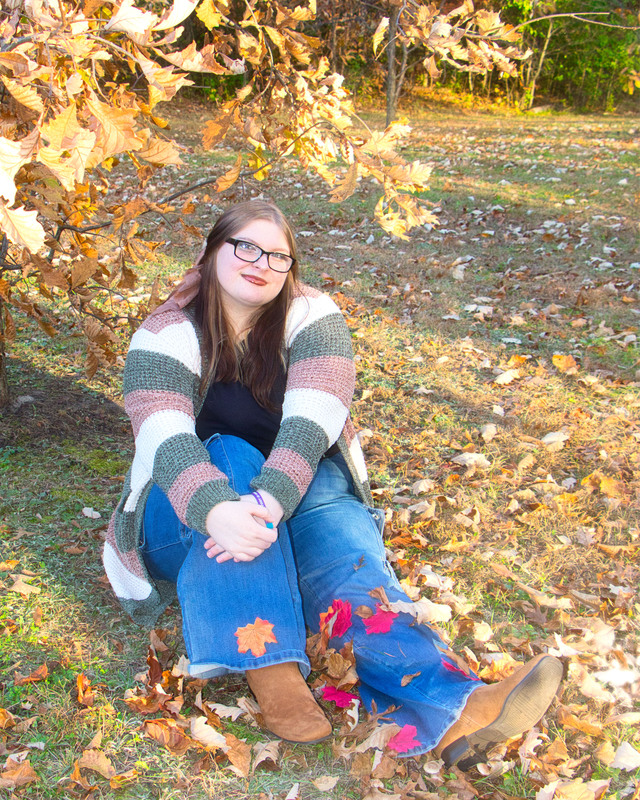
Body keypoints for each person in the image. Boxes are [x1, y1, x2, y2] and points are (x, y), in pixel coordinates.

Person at [102, 199, 563, 768]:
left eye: (278, 256)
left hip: (287, 498)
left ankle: (459, 706)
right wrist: (217, 509)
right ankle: (269, 665)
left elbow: (311, 425)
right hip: (179, 519)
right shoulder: (167, 331)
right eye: (245, 247)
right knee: (230, 452)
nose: (261, 264)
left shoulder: (313, 318)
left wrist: (268, 502)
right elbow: (164, 435)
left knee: (348, 564)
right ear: (212, 251)